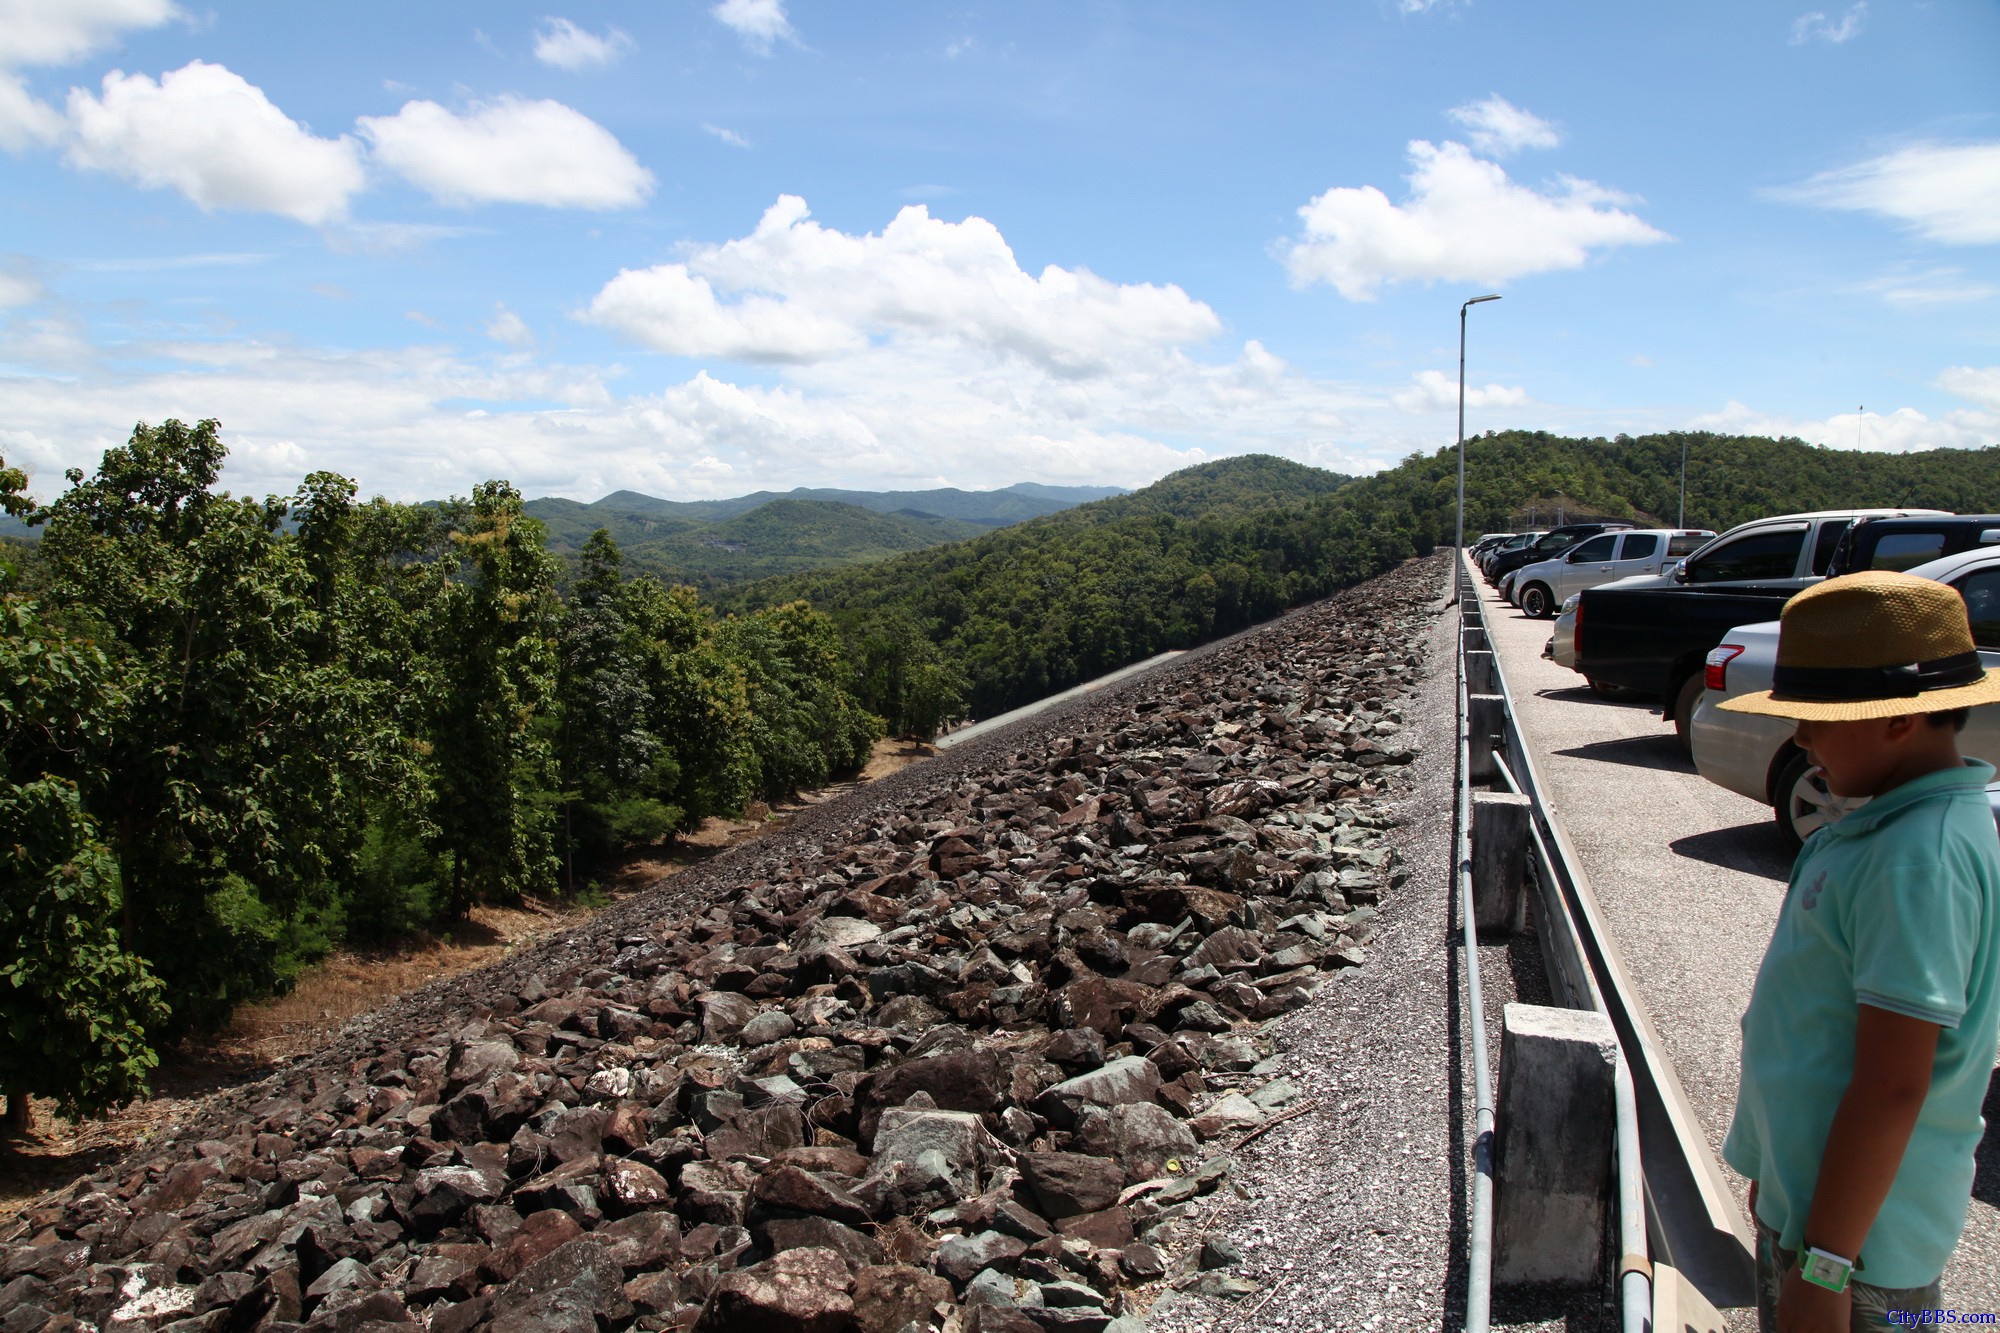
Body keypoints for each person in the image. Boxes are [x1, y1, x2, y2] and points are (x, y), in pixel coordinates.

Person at [1718, 571, 2000, 1332]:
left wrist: (1825, 1262)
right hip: (1819, 1214)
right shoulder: (1890, 828)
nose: (1801, 737)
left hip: (1856, 1254)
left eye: (1817, 718)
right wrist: (1780, 1182)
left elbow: (1892, 1084)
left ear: (1898, 721)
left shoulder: (1919, 858)